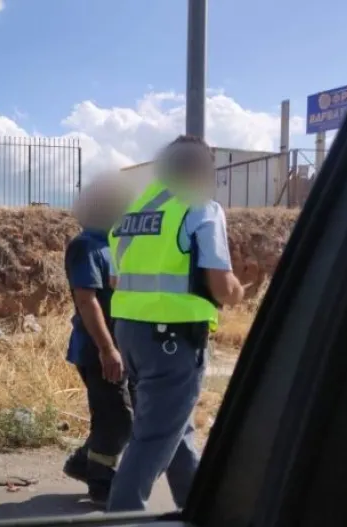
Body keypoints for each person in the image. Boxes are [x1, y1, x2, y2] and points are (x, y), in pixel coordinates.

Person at [106, 135, 246, 512]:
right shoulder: (199, 206)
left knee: (175, 428)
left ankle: (195, 506)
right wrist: (237, 293)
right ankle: (121, 515)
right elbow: (220, 284)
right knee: (153, 439)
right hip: (173, 336)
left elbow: (116, 278)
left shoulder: (131, 210)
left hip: (131, 333)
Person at [61, 174, 136, 507]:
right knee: (117, 418)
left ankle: (83, 463)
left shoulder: (112, 245)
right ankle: (100, 483)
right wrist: (107, 349)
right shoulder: (85, 246)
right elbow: (86, 299)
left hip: (118, 348)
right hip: (97, 350)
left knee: (118, 416)